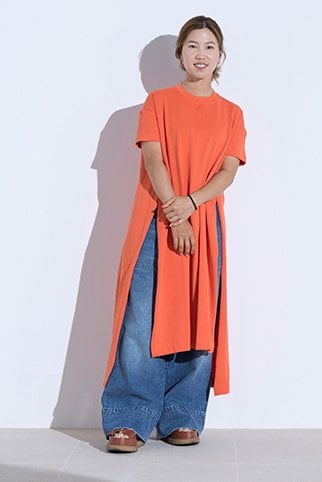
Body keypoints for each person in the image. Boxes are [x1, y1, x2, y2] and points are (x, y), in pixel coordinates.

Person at [99, 15, 247, 453]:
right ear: (180, 53)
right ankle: (129, 417)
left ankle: (182, 414)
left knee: (199, 317)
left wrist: (193, 204)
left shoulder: (232, 113)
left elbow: (228, 171)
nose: (201, 54)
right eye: (193, 46)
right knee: (141, 318)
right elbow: (153, 159)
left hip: (205, 222)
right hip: (155, 217)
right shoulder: (158, 103)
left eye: (210, 47)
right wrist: (175, 213)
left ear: (220, 56)